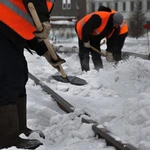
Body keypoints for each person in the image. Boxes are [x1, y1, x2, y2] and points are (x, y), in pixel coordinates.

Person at [0, 0, 64, 149]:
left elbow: (29, 26)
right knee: (8, 79)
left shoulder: (46, 2)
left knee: (20, 75)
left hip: (9, 31)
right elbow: (36, 17)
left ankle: (19, 128)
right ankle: (6, 137)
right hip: (2, 28)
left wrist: (46, 51)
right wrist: (43, 19)